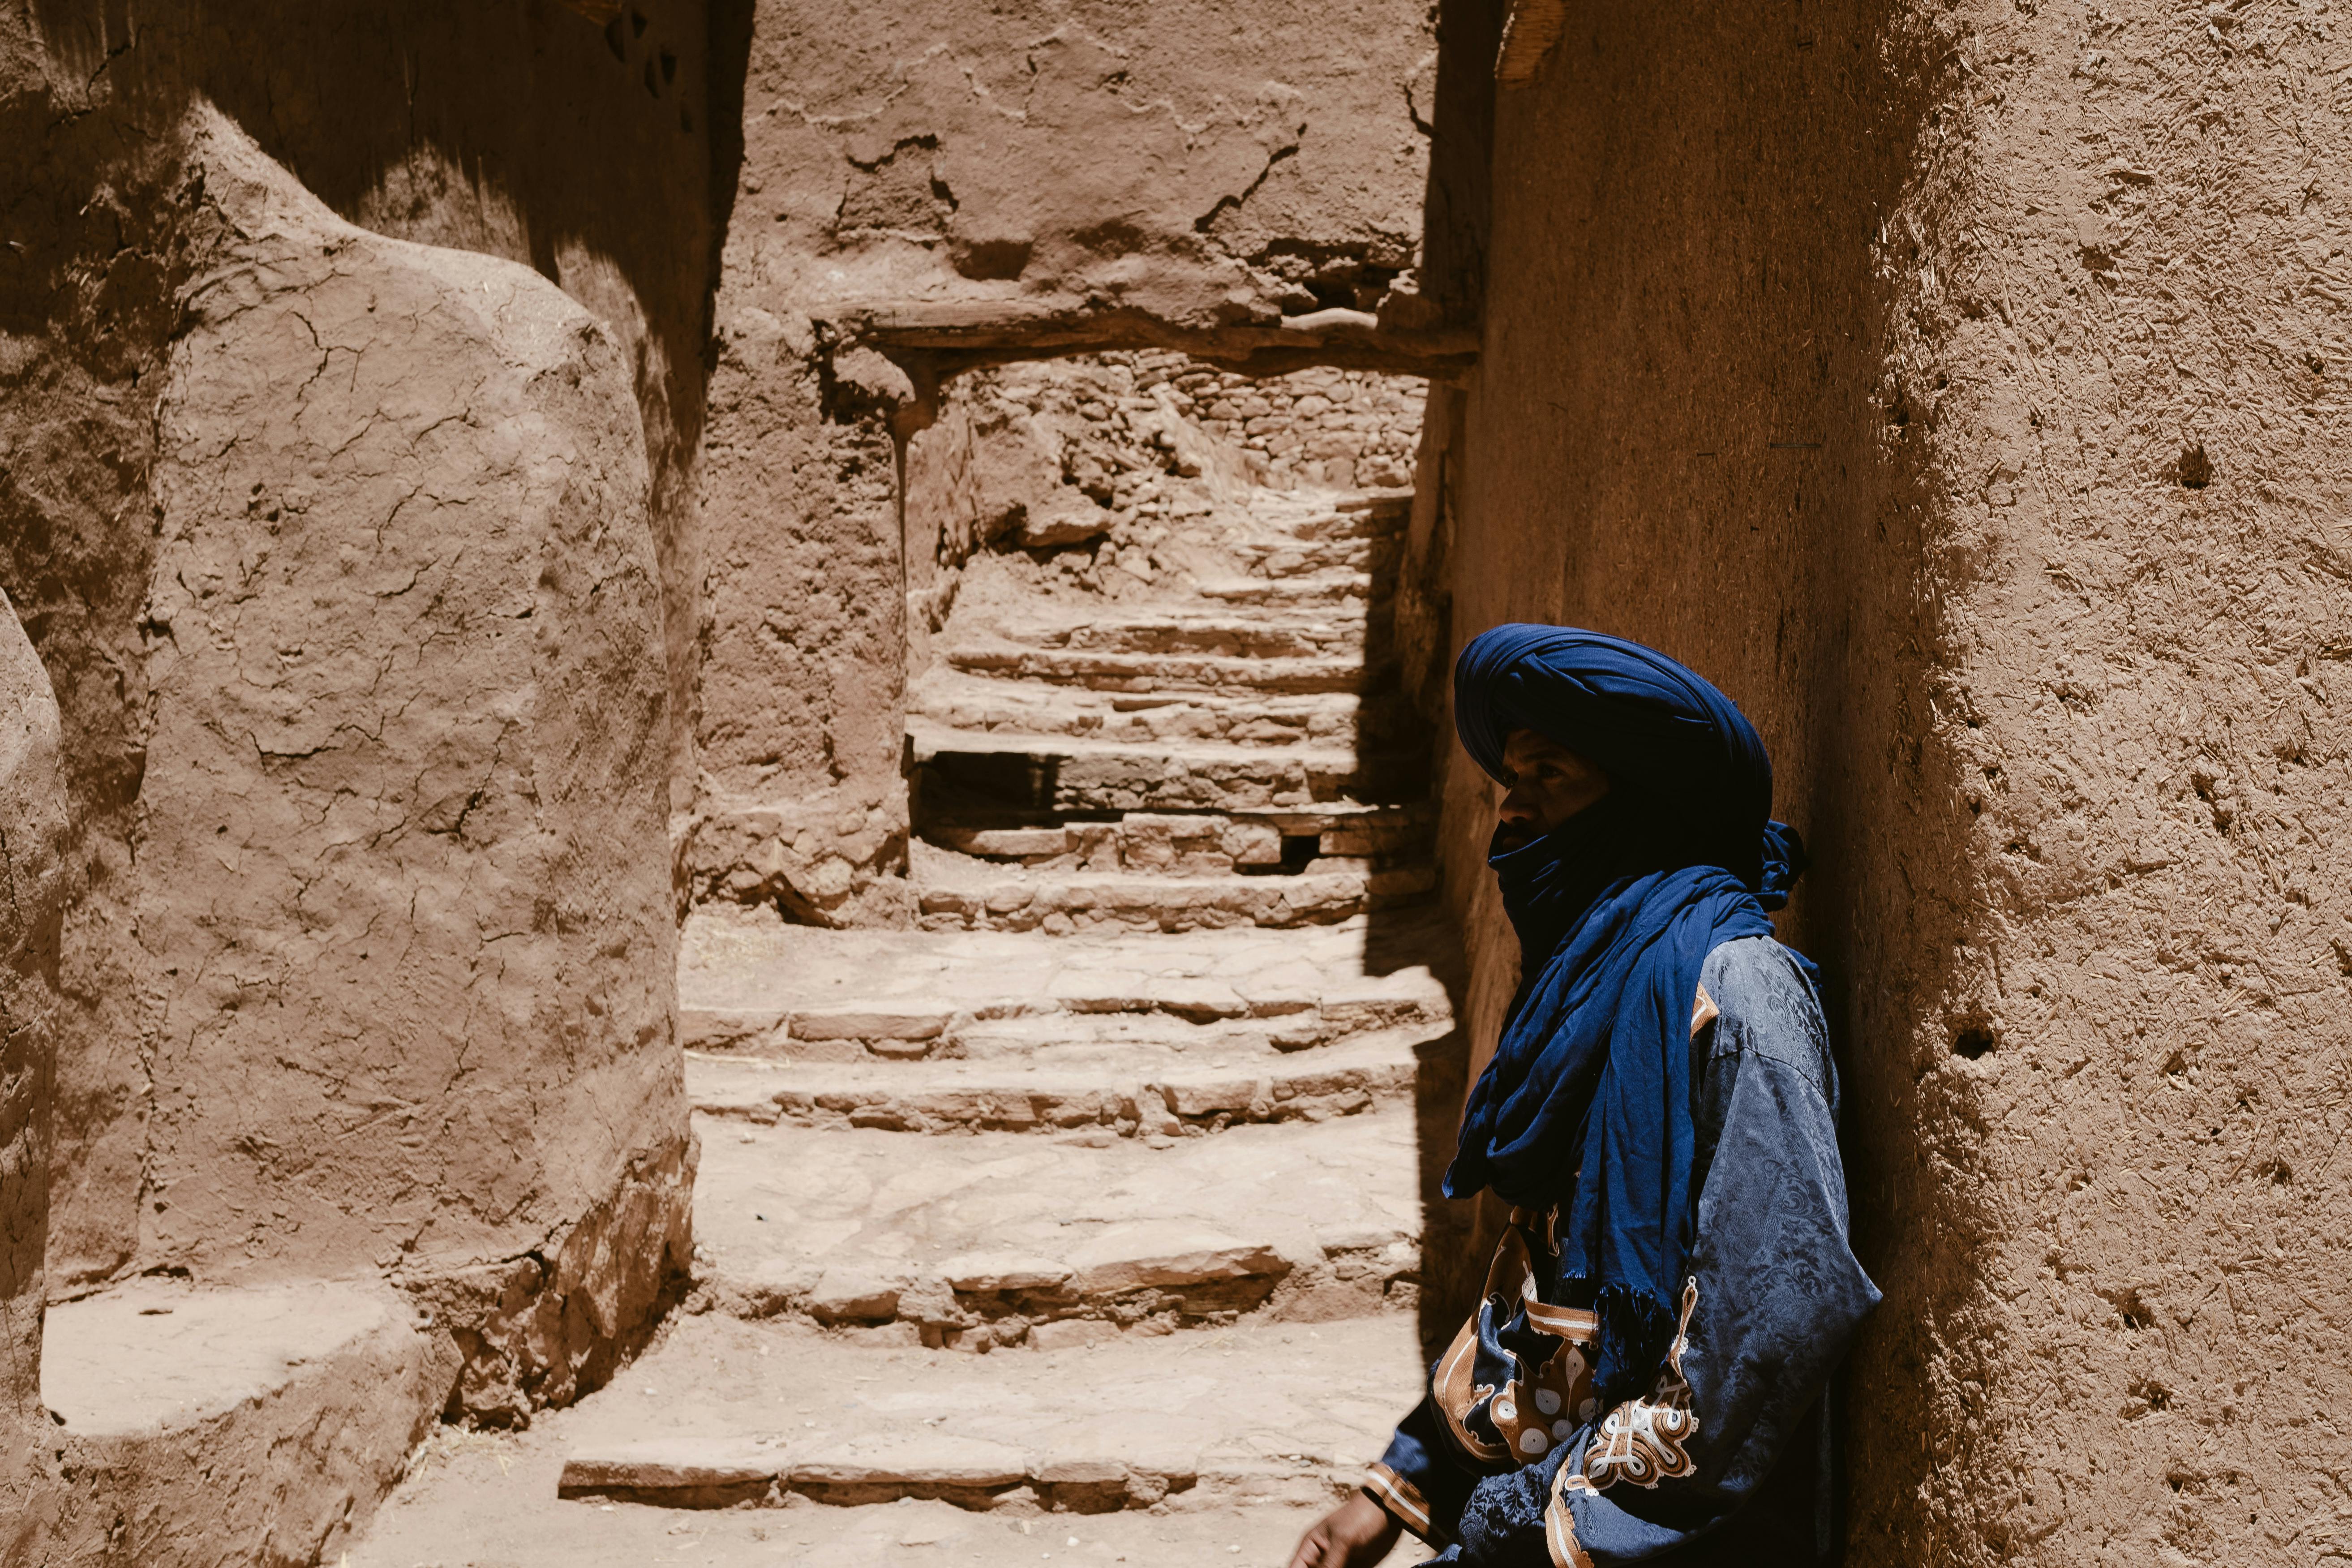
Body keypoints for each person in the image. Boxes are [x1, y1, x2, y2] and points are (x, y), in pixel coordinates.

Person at [1289, 624, 1879, 1568]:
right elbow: (1545, 1302)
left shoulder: (1737, 988)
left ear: (1640, 807)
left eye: (1547, 777)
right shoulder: (1580, 996)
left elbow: (1773, 1312)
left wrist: (1526, 1528)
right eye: (1504, 788)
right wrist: (1401, 1485)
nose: (1509, 818)